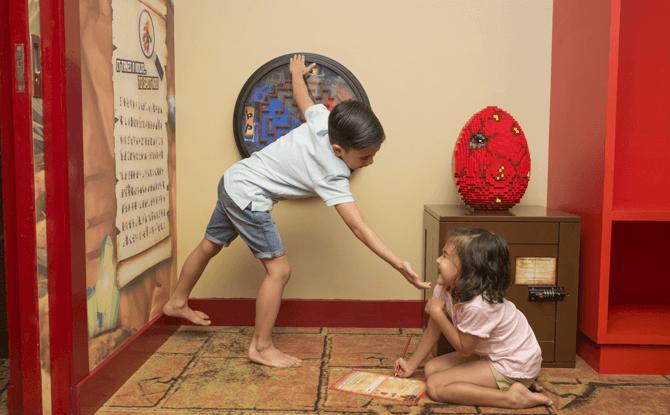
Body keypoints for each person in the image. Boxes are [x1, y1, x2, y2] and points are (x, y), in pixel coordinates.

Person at [163, 55, 431, 369]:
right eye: (365, 157)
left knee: (209, 245)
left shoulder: (324, 121)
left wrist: (295, 73)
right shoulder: (333, 173)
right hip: (249, 195)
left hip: (234, 179)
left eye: (374, 155)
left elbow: (304, 100)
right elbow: (360, 228)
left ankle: (176, 301)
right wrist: (398, 263)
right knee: (280, 271)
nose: (370, 162)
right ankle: (261, 347)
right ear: (339, 151)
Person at [394, 228, 553, 409]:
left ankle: (514, 397)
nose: (438, 260)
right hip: (493, 356)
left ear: (468, 269)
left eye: (445, 256)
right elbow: (432, 331)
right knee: (431, 369)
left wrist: (438, 314)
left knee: (436, 386)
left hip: (513, 362)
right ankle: (513, 382)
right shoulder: (446, 287)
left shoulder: (480, 305)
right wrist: (410, 365)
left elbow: (465, 349)